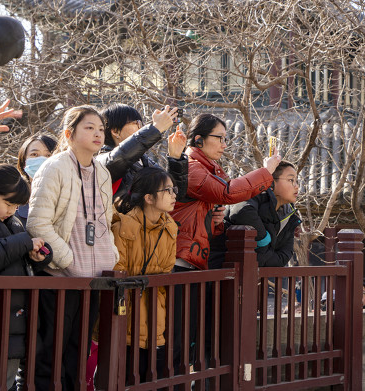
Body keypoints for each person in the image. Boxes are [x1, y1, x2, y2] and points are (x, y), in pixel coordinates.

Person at [169, 112, 280, 371]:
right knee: (177, 337)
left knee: (188, 335)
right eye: (219, 138)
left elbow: (207, 213)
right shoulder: (192, 166)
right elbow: (229, 192)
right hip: (179, 260)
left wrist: (216, 220)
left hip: (193, 260)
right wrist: (267, 171)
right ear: (198, 140)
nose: (224, 144)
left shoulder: (209, 168)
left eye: (225, 138)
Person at [27, 105, 119, 390]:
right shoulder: (53, 167)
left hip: (92, 279)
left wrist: (110, 255)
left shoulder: (102, 172)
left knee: (78, 353)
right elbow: (37, 224)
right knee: (49, 352)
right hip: (59, 277)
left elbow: (106, 219)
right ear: (69, 134)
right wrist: (67, 259)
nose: (97, 133)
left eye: (100, 128)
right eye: (89, 127)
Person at [0, 164, 51, 391]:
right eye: (8, 203)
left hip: (12, 322)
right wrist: (21, 243)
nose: (13, 210)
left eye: (16, 206)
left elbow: (17, 264)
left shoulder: (13, 224)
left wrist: (39, 258)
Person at [112, 167, 178, 384]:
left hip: (156, 314)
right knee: (121, 378)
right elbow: (117, 272)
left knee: (154, 378)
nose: (174, 195)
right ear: (149, 197)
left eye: (173, 189)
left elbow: (167, 271)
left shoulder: (170, 228)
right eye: (167, 190)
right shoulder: (122, 226)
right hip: (124, 315)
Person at [210, 161, 301, 269]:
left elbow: (282, 258)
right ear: (271, 182)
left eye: (296, 181)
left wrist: (262, 250)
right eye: (291, 180)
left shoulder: (289, 217)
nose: (297, 186)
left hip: (247, 277)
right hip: (216, 273)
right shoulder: (253, 195)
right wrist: (263, 238)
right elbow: (241, 211)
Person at [97, 103, 186, 201]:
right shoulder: (101, 161)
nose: (141, 128)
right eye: (136, 123)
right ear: (115, 131)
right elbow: (121, 157)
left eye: (141, 124)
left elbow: (174, 196)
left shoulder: (145, 161)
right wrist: (156, 128)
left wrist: (175, 158)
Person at [15, 134, 57, 226]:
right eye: (34, 154)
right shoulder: (12, 206)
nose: (42, 160)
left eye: (48, 155)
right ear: (23, 162)